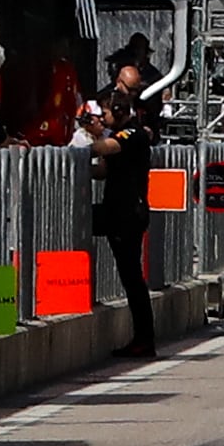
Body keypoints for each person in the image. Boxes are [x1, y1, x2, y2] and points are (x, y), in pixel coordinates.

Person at [79, 47, 168, 329]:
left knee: (131, 276)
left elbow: (106, 147)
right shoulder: (122, 132)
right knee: (75, 223)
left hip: (128, 213)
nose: (102, 119)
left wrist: (88, 138)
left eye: (105, 114)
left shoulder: (132, 134)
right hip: (116, 210)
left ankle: (144, 336)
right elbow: (103, 170)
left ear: (117, 112)